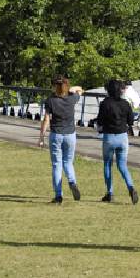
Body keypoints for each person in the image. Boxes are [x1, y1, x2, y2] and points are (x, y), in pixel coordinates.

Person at [36, 76, 84, 204]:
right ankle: (72, 182)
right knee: (68, 162)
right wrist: (73, 89)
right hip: (70, 134)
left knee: (57, 164)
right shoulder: (72, 98)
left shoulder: (50, 100)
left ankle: (58, 195)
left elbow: (46, 119)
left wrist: (41, 137)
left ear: (54, 86)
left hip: (56, 134)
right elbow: (80, 90)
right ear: (66, 86)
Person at [96, 80, 138, 204]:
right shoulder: (125, 103)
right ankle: (131, 187)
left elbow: (100, 120)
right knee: (122, 165)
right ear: (121, 90)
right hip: (122, 137)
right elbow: (131, 121)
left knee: (107, 164)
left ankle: (110, 193)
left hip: (109, 137)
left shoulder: (105, 103)